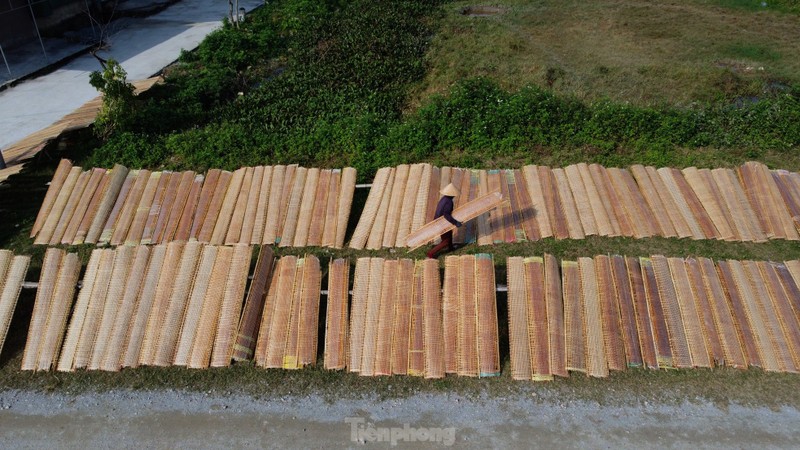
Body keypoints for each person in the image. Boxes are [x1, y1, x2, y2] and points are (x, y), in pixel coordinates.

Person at [427, 183, 463, 259]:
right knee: (445, 241)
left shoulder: (444, 199)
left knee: (449, 233)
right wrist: (456, 222)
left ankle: (451, 248)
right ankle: (431, 253)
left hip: (439, 220)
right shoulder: (449, 202)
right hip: (441, 222)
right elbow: (446, 215)